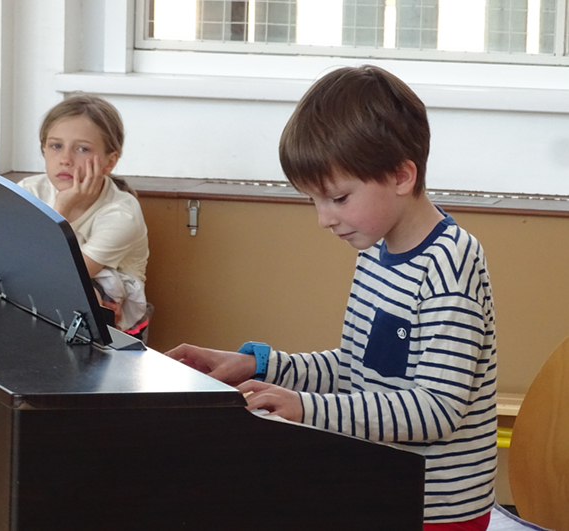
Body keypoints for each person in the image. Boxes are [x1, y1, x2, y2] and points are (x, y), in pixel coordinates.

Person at [165, 65, 497, 530]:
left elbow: (435, 410)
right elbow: (356, 369)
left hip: (434, 510)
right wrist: (259, 366)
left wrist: (304, 407)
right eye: (314, 201)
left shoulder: (450, 262)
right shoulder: (376, 250)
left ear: (402, 175)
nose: (324, 218)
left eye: (338, 198)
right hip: (379, 485)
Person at [18, 94, 150, 339]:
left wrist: (62, 208)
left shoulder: (121, 213)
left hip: (113, 327)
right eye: (56, 146)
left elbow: (56, 276)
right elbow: (14, 264)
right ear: (44, 149)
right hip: (42, 304)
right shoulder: (29, 190)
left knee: (89, 292)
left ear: (109, 162)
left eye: (82, 149)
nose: (65, 160)